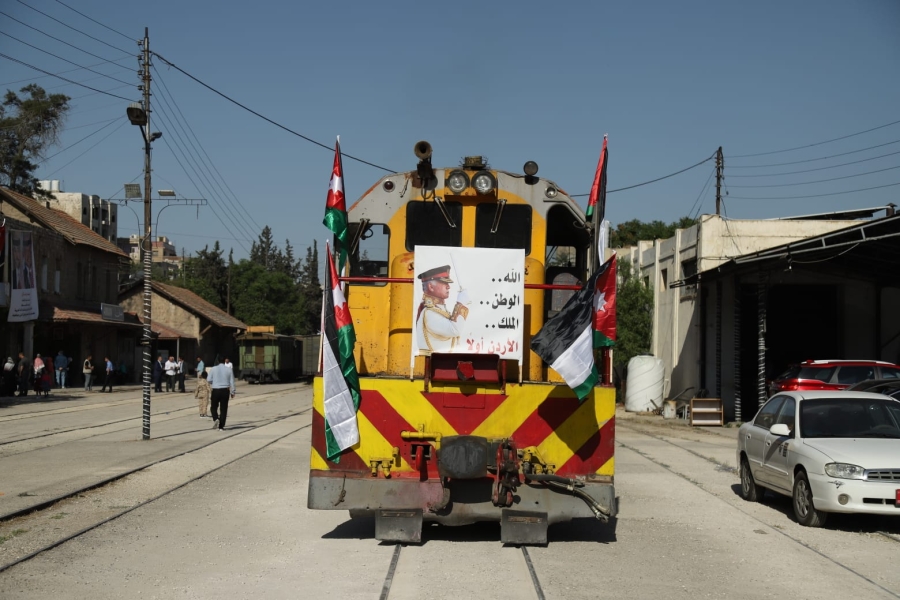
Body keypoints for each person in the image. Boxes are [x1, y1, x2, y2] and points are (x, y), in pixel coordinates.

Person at [415, 265, 469, 354]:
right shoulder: (429, 313)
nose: (448, 286)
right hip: (431, 361)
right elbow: (455, 330)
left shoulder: (439, 310)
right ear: (431, 287)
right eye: (444, 283)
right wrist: (461, 304)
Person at [208, 359, 236, 431]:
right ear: (224, 361)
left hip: (216, 390)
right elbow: (232, 382)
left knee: (213, 407)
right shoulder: (229, 369)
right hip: (225, 390)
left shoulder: (213, 369)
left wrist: (215, 382)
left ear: (217, 361)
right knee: (223, 409)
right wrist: (233, 392)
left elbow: (209, 379)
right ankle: (221, 426)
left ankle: (216, 418)